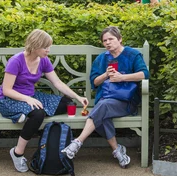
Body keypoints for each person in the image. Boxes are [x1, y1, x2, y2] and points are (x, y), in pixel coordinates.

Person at [0, 29, 89, 173]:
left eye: (49, 46)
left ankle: (25, 115)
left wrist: (77, 97)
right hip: (11, 99)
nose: (48, 50)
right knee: (38, 114)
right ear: (35, 45)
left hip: (31, 96)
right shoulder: (16, 61)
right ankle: (17, 153)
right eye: (45, 47)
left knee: (66, 103)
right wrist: (27, 99)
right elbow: (7, 90)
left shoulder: (44, 60)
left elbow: (57, 83)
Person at [61, 26, 149, 168]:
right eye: (104, 40)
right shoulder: (102, 58)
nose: (108, 43)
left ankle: (77, 142)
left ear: (120, 39)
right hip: (105, 100)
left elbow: (144, 74)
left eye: (111, 39)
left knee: (102, 108)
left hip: (126, 101)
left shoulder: (132, 55)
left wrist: (122, 77)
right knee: (103, 113)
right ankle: (116, 150)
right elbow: (94, 82)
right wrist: (106, 74)